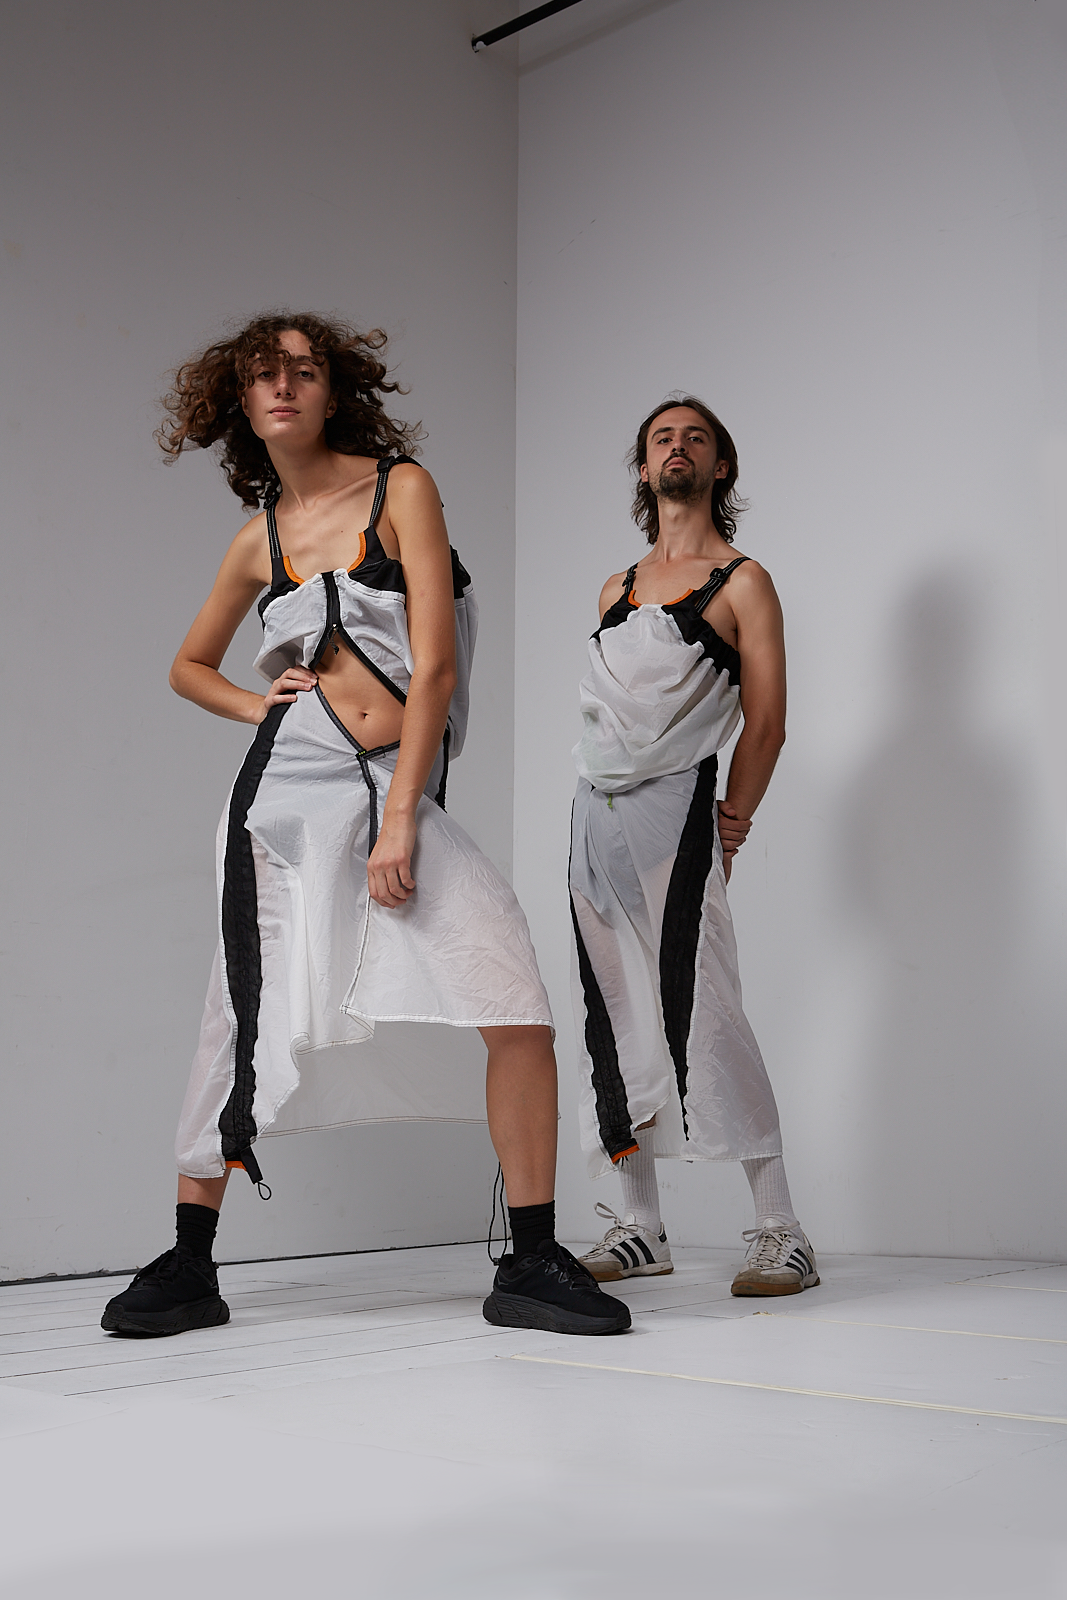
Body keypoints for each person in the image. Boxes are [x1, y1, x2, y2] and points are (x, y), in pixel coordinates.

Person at [101, 312, 629, 1339]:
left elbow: (434, 668)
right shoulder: (256, 539)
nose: (283, 385)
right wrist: (259, 705)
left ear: (332, 389)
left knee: (514, 1000)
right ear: (239, 400)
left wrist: (400, 817)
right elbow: (187, 665)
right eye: (263, 373)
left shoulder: (400, 490)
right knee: (237, 1010)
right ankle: (190, 1260)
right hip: (282, 794)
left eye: (302, 370)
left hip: (389, 785)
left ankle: (529, 1257)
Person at [569, 396, 818, 1296]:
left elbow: (767, 721)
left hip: (676, 816)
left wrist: (733, 824)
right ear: (644, 468)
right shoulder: (616, 588)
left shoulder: (742, 582)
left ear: (721, 466)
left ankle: (781, 1229)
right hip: (592, 819)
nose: (677, 447)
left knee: (706, 1009)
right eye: (661, 438)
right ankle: (640, 1226)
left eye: (695, 437)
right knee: (613, 1014)